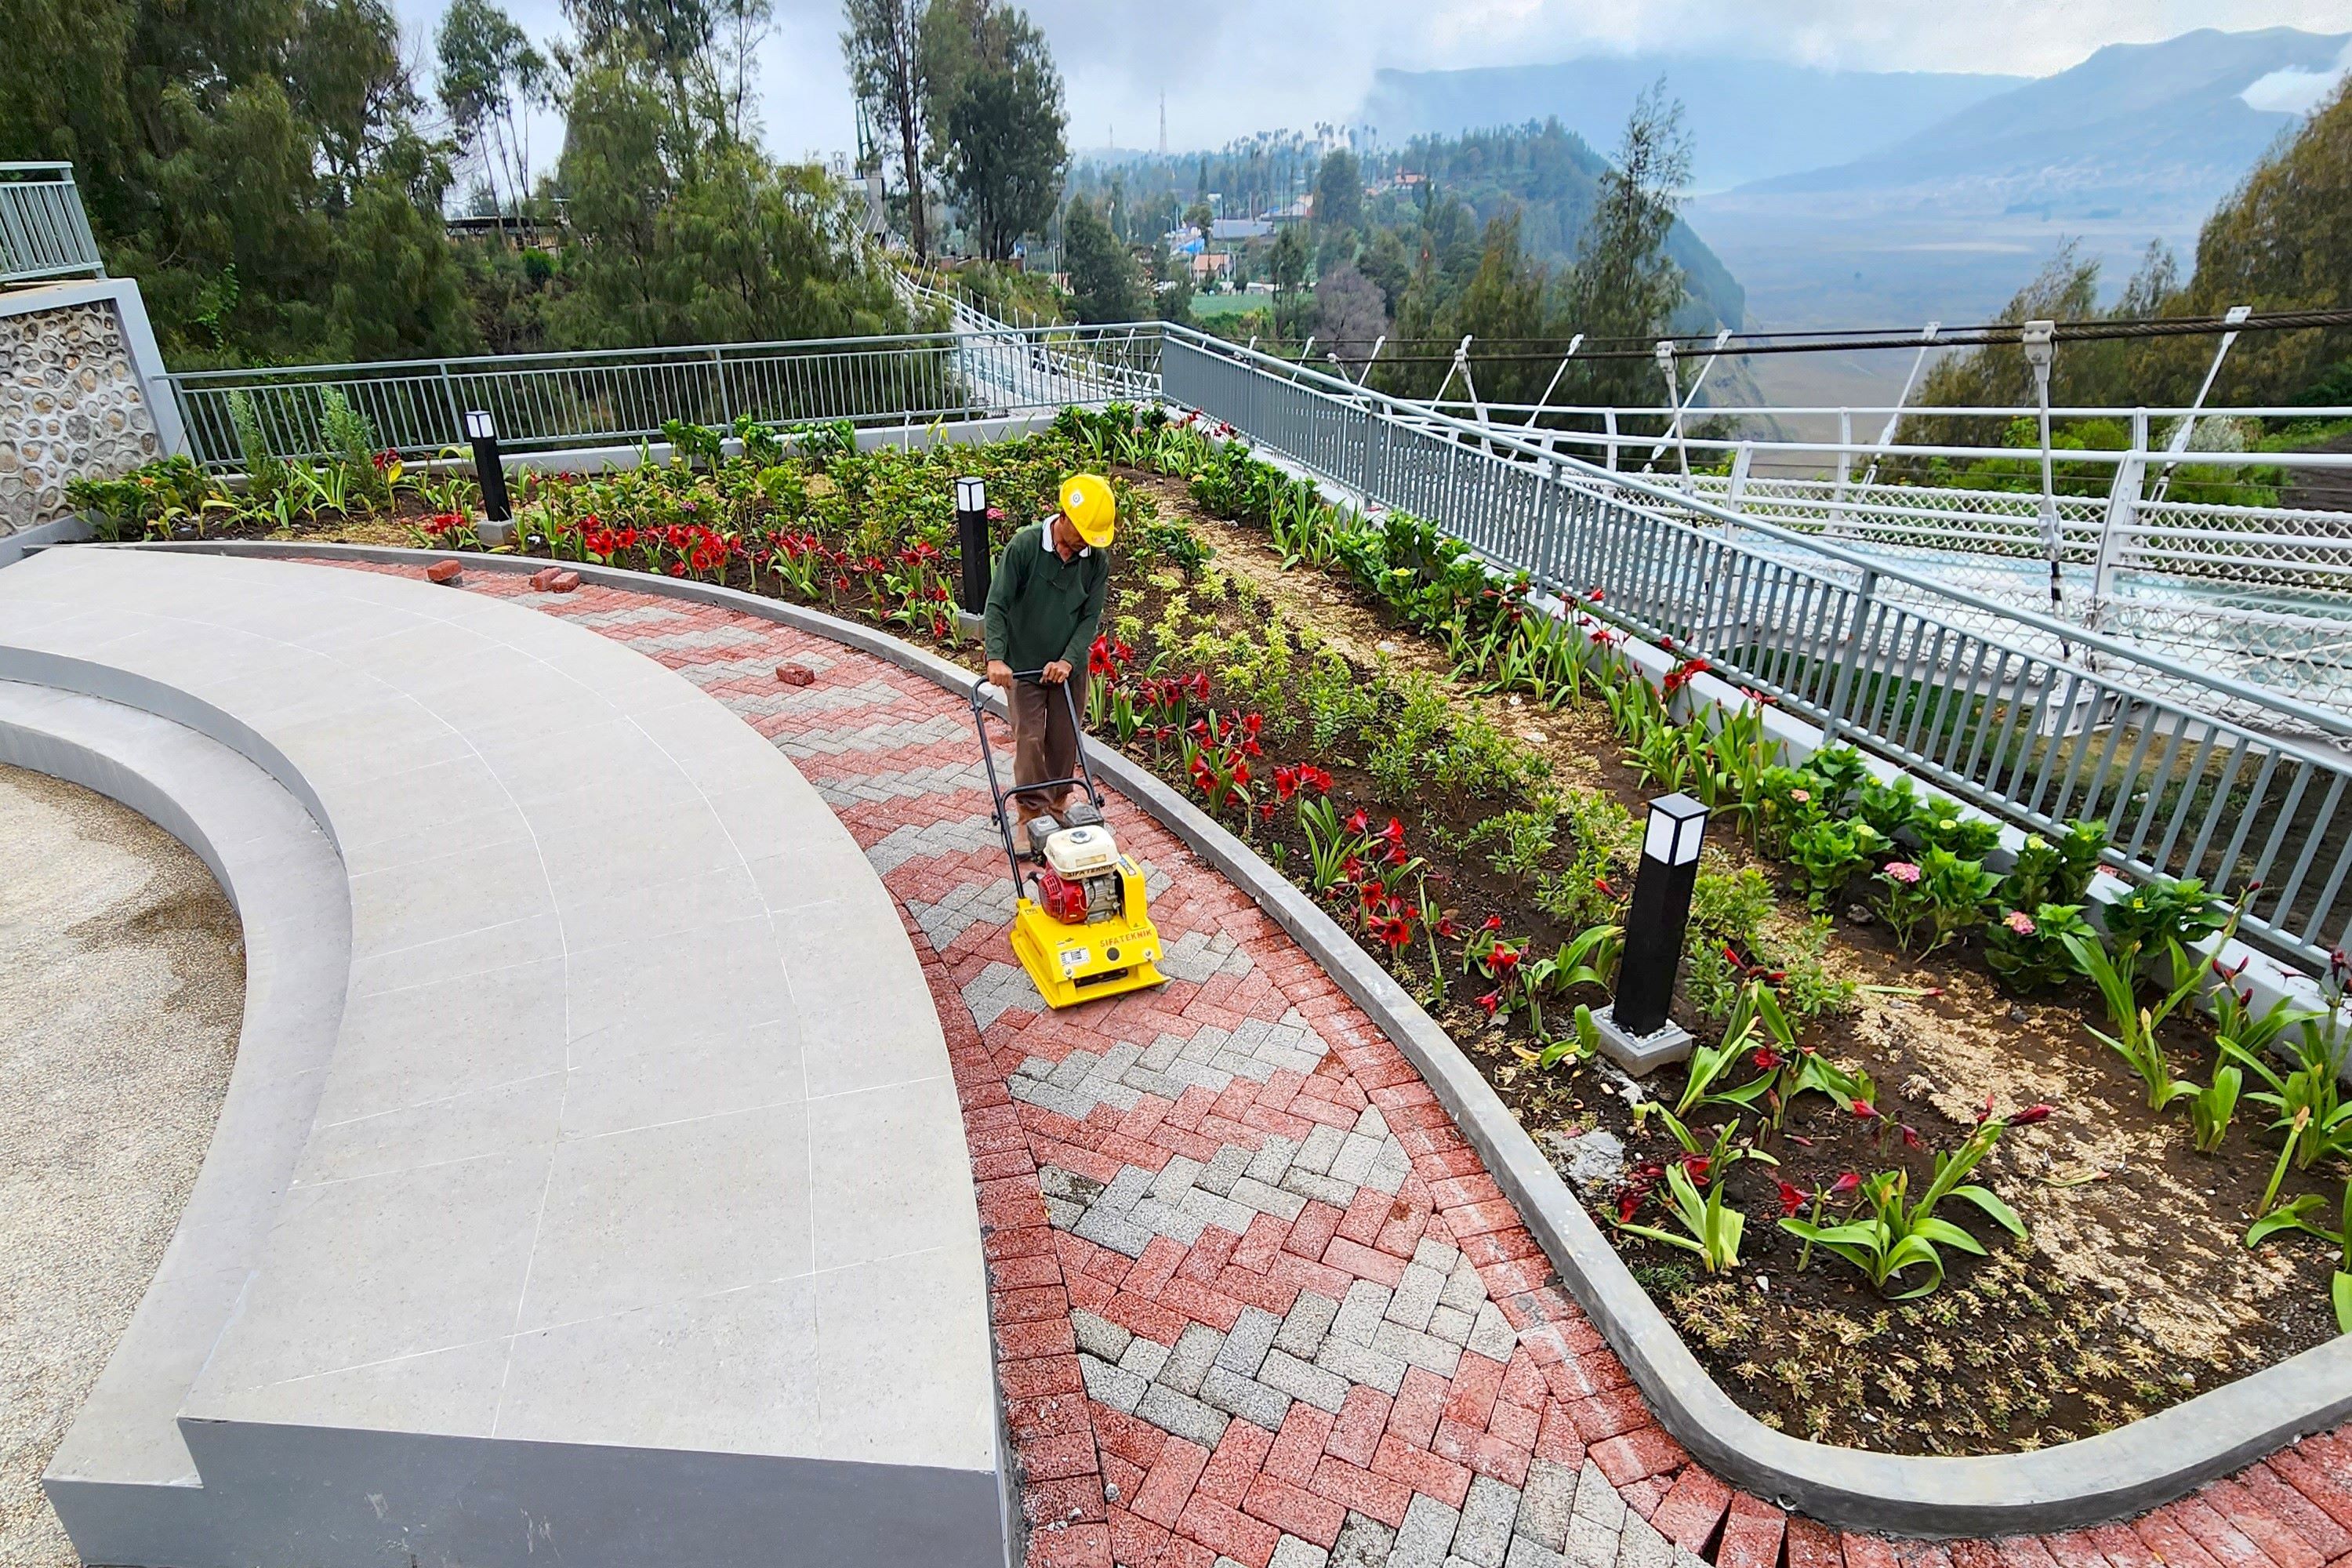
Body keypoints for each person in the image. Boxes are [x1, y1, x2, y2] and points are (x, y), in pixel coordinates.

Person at [984, 473, 1116, 830]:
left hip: (1066, 668)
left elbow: (1090, 618)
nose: (1085, 544)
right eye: (1081, 535)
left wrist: (1069, 660)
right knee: (1029, 739)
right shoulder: (1025, 547)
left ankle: (1059, 805)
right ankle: (1029, 815)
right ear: (1064, 516)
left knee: (1065, 737)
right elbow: (997, 604)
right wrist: (996, 657)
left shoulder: (1094, 561)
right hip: (1023, 665)